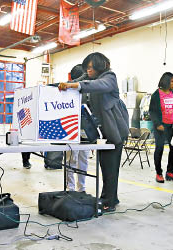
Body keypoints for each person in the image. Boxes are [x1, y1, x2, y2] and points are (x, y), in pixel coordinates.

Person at [58, 52, 129, 212]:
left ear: (99, 66)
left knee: (110, 167)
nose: (88, 71)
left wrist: (75, 86)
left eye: (90, 67)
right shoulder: (89, 77)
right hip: (104, 133)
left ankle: (108, 202)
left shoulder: (109, 77)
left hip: (115, 131)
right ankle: (111, 197)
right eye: (86, 68)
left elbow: (97, 85)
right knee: (106, 166)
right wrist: (60, 85)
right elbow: (76, 82)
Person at [149, 72, 173, 183]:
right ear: (166, 81)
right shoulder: (156, 95)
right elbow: (152, 111)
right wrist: (158, 124)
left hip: (171, 126)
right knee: (159, 148)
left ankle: (170, 171)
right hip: (161, 126)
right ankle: (159, 173)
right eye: (172, 81)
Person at [66, 64, 90, 192]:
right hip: (72, 130)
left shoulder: (87, 89)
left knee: (81, 159)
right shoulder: (68, 89)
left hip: (84, 130)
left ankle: (81, 188)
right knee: (72, 159)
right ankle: (71, 187)